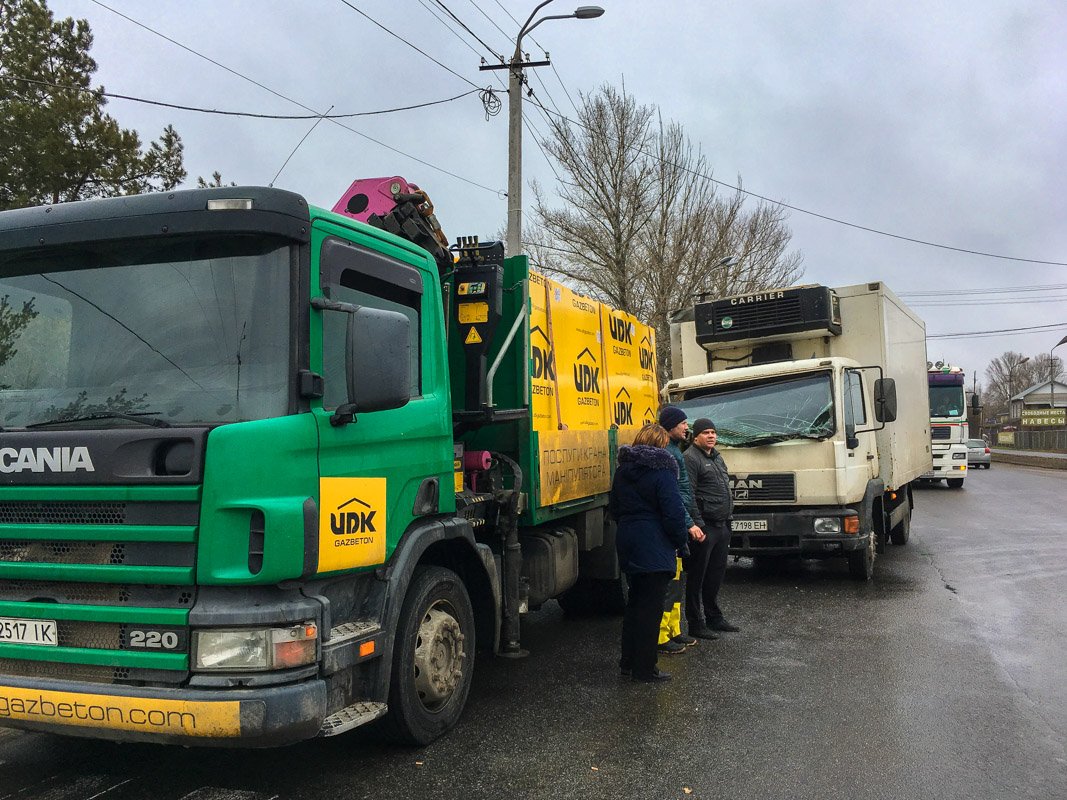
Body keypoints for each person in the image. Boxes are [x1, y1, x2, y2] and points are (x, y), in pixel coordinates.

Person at [610, 423, 689, 683]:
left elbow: (615, 508)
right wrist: (680, 541)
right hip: (653, 542)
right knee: (651, 609)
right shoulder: (663, 471)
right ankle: (645, 668)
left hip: (628, 538)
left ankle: (628, 662)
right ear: (661, 444)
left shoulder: (623, 471)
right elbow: (673, 512)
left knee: (634, 604)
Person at [656, 406, 708, 653]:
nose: (687, 427)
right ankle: (661, 636)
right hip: (676, 525)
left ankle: (673, 630)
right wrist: (689, 523)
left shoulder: (675, 450)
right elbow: (674, 496)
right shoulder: (667, 453)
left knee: (676, 582)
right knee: (668, 585)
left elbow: (684, 494)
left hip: (681, 522)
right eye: (683, 423)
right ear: (671, 426)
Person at [683, 418, 740, 636]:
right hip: (705, 527)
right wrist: (697, 524)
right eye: (706, 432)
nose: (711, 436)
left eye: (714, 432)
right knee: (697, 577)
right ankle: (696, 624)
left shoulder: (716, 457)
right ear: (696, 436)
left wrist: (727, 520)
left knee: (715, 575)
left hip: (722, 525)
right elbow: (688, 494)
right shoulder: (691, 458)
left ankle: (715, 618)